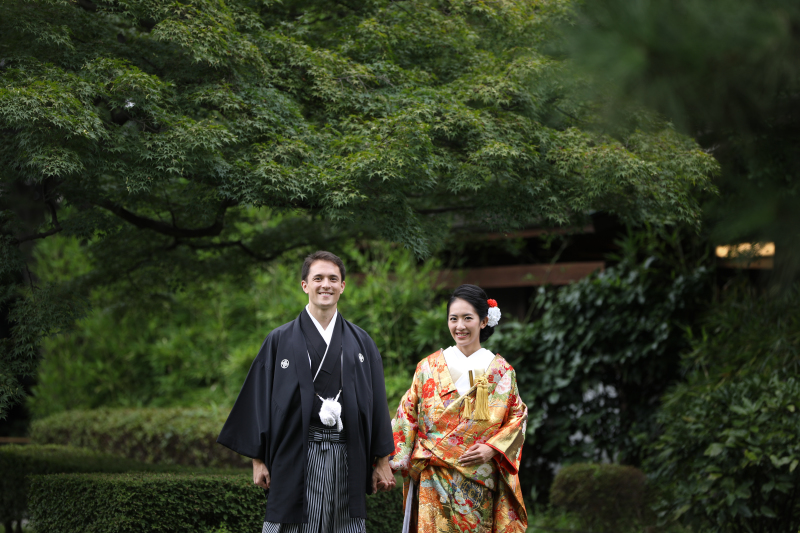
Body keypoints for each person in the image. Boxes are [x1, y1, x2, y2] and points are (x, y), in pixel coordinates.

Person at [218, 251, 396, 533]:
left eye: (333, 279)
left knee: (345, 525)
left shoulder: (362, 342)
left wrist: (383, 460)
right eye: (318, 278)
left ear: (342, 286)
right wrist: (258, 460)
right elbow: (259, 399)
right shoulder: (279, 340)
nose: (326, 284)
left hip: (347, 453)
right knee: (291, 523)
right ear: (305, 285)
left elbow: (375, 404)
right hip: (296, 451)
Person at [389, 284, 528, 533]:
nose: (460, 326)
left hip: (477, 478)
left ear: (484, 321)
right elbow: (407, 415)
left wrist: (492, 448)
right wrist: (388, 462)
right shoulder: (428, 367)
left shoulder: (501, 371)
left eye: (468, 318)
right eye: (453, 319)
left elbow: (517, 417)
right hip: (433, 476)